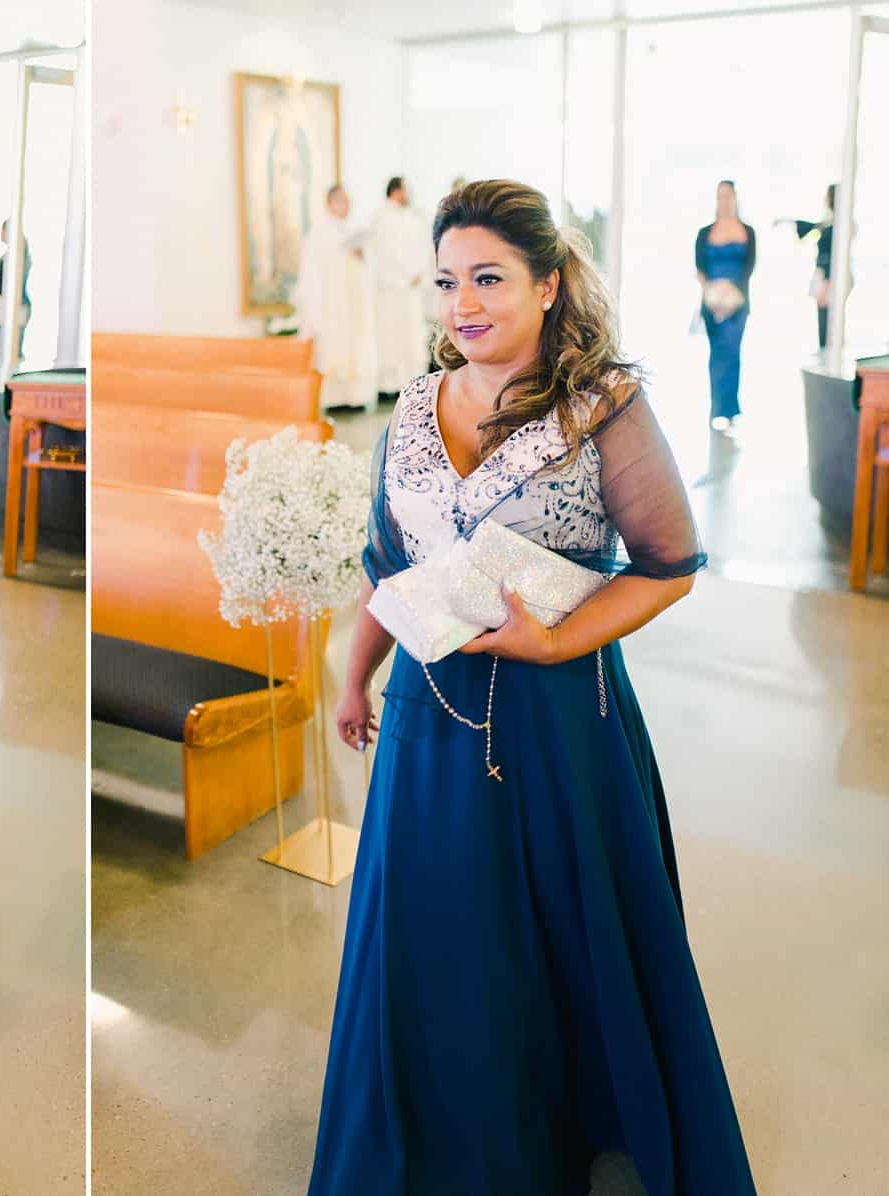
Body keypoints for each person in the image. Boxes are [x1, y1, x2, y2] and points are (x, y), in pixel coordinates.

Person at [310, 180, 755, 1195]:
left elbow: (666, 561)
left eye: (489, 278)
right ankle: (444, 1124)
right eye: (446, 281)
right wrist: (354, 670)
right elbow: (391, 560)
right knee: (440, 934)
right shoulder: (417, 406)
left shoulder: (604, 404)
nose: (463, 303)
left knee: (559, 928)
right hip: (430, 715)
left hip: (559, 720)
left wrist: (557, 645)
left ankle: (568, 1108)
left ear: (548, 284)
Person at [295, 184, 378, 414]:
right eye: (342, 200)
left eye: (348, 200)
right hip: (331, 303)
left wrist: (362, 256)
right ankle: (333, 399)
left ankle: (355, 397)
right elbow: (312, 271)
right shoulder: (319, 233)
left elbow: (365, 265)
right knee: (334, 347)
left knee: (356, 344)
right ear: (330, 203)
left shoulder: (351, 228)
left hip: (352, 302)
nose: (346, 205)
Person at [695, 180, 756, 432]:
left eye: (728, 195)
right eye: (720, 196)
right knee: (715, 354)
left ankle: (730, 409)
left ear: (735, 197)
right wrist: (714, 295)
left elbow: (749, 267)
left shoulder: (748, 231)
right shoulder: (704, 232)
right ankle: (716, 408)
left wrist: (731, 296)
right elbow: (699, 267)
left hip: (738, 302)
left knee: (732, 353)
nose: (725, 200)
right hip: (711, 302)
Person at [366, 176, 433, 398]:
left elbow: (422, 248)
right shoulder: (380, 218)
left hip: (411, 289)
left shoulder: (414, 218)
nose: (409, 194)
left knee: (411, 335)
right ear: (394, 192)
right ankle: (389, 386)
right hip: (391, 289)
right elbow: (385, 253)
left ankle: (411, 381)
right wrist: (404, 275)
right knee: (391, 336)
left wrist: (419, 273)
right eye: (405, 190)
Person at [779, 183, 840, 350]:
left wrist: (828, 279)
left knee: (828, 319)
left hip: (830, 276)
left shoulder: (839, 226)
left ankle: (828, 351)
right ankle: (826, 350)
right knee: (825, 317)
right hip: (825, 275)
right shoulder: (829, 225)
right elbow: (811, 227)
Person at [0, 220, 31, 366]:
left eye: (2, 230)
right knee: (3, 352)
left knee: (8, 353)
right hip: (3, 305)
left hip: (13, 306)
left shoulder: (18, 257)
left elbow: (9, 282)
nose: (0, 234)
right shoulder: (10, 255)